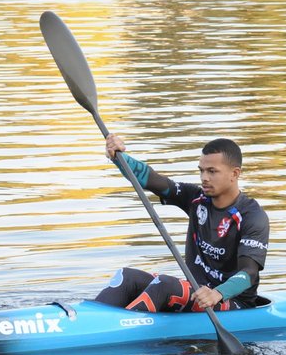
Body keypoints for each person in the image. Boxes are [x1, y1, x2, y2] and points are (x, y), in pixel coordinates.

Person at [95, 134, 269, 313]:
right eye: (201, 170)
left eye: (212, 171)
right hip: (196, 290)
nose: (204, 178)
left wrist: (217, 293)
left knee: (164, 284)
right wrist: (119, 157)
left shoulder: (252, 216)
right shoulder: (196, 198)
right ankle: (89, 319)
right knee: (127, 276)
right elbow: (152, 180)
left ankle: (119, 328)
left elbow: (249, 274)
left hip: (233, 302)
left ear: (235, 173)